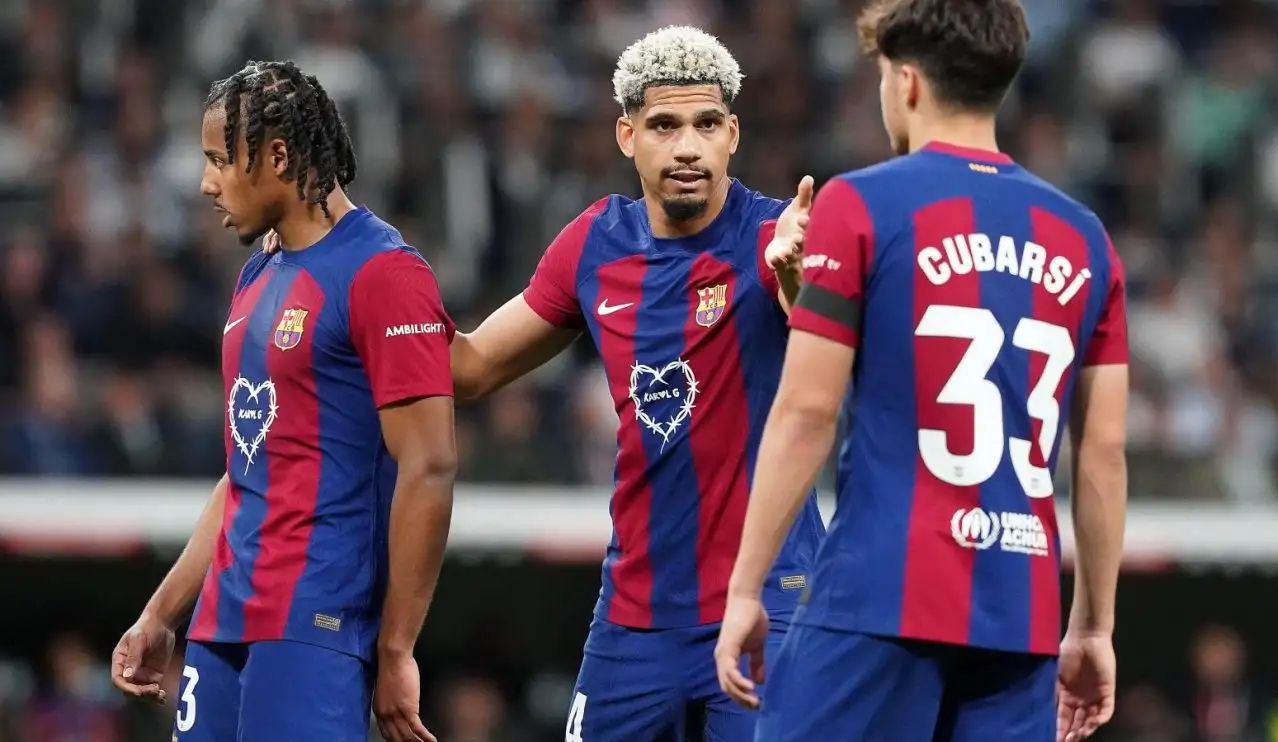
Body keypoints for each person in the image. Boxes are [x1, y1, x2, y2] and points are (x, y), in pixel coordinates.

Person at [274, 24, 825, 740]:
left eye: (705, 124)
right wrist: (360, 259)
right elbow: (467, 368)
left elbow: (821, 335)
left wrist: (797, 283)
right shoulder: (597, 243)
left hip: (767, 604)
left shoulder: (781, 237)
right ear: (627, 135)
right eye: (664, 125)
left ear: (733, 134)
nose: (687, 146)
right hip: (634, 619)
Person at [712, 2, 1128, 741]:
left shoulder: (862, 202)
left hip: (879, 600)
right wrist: (1093, 627)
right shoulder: (1085, 237)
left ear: (905, 82)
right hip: (1020, 619)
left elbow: (807, 410)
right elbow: (1099, 454)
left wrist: (747, 585)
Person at [109, 60, 459, 742]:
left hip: (315, 625)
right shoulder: (256, 274)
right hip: (219, 625)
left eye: (218, 160)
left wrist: (396, 648)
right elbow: (248, 468)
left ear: (275, 155)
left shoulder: (384, 273)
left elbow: (430, 465)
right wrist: (161, 615)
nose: (207, 183)